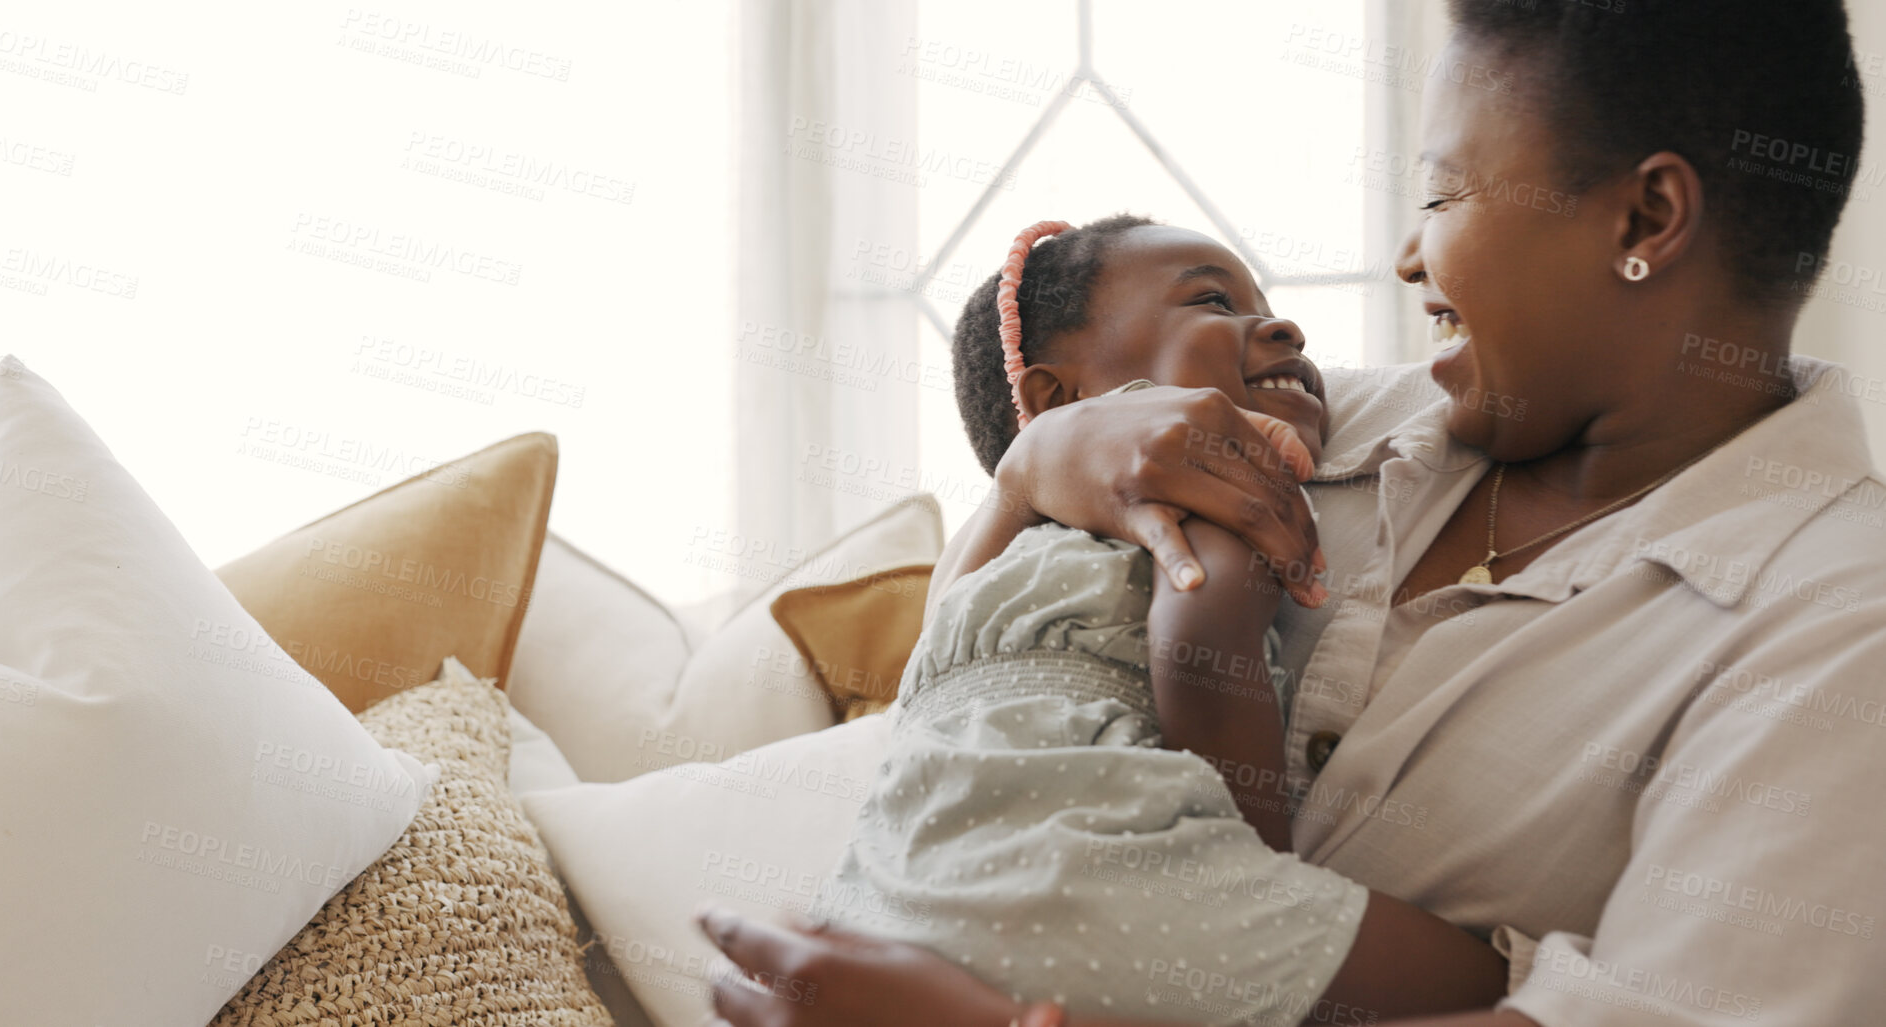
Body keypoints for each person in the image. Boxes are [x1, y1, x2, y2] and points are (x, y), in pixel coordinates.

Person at [703, 1, 1882, 1024]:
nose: (1409, 257)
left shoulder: (1837, 631)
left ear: (1645, 219)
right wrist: (1028, 471)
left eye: (1443, 193)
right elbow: (964, 676)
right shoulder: (1330, 421)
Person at [810, 214, 1509, 1026]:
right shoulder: (1185, 454)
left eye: (1264, 306)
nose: (1284, 327)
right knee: (1495, 987)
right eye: (1213, 301)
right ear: (1058, 399)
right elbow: (1200, 646)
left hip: (891, 898)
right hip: (1093, 872)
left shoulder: (988, 560)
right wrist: (1255, 872)